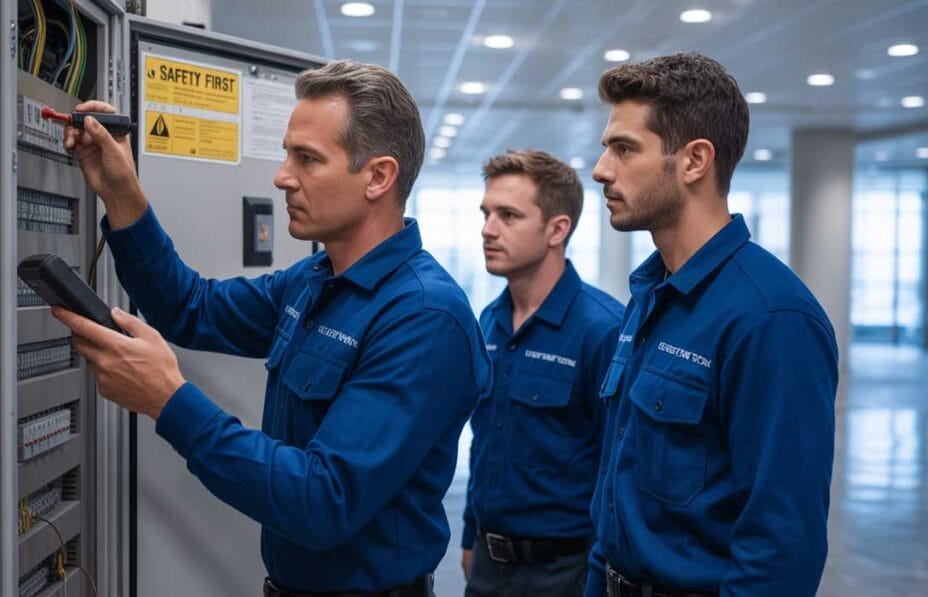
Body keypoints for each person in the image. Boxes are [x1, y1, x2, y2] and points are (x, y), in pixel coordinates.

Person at [53, 60, 492, 595]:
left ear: (378, 176)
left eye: (307, 159)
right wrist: (121, 191)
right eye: (288, 154)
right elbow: (188, 306)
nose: (283, 176)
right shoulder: (312, 281)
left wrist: (169, 400)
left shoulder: (425, 318)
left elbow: (322, 502)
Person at [584, 51, 839, 596]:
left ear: (695, 160)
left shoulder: (772, 319)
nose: (601, 169)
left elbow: (781, 548)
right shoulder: (650, 294)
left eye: (624, 149)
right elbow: (615, 490)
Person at [460, 150, 623, 596]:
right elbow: (485, 439)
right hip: (487, 565)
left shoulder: (603, 329)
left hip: (565, 572)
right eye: (487, 213)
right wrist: (471, 533)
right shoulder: (489, 322)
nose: (488, 229)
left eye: (508, 215)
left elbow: (619, 471)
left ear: (557, 229)